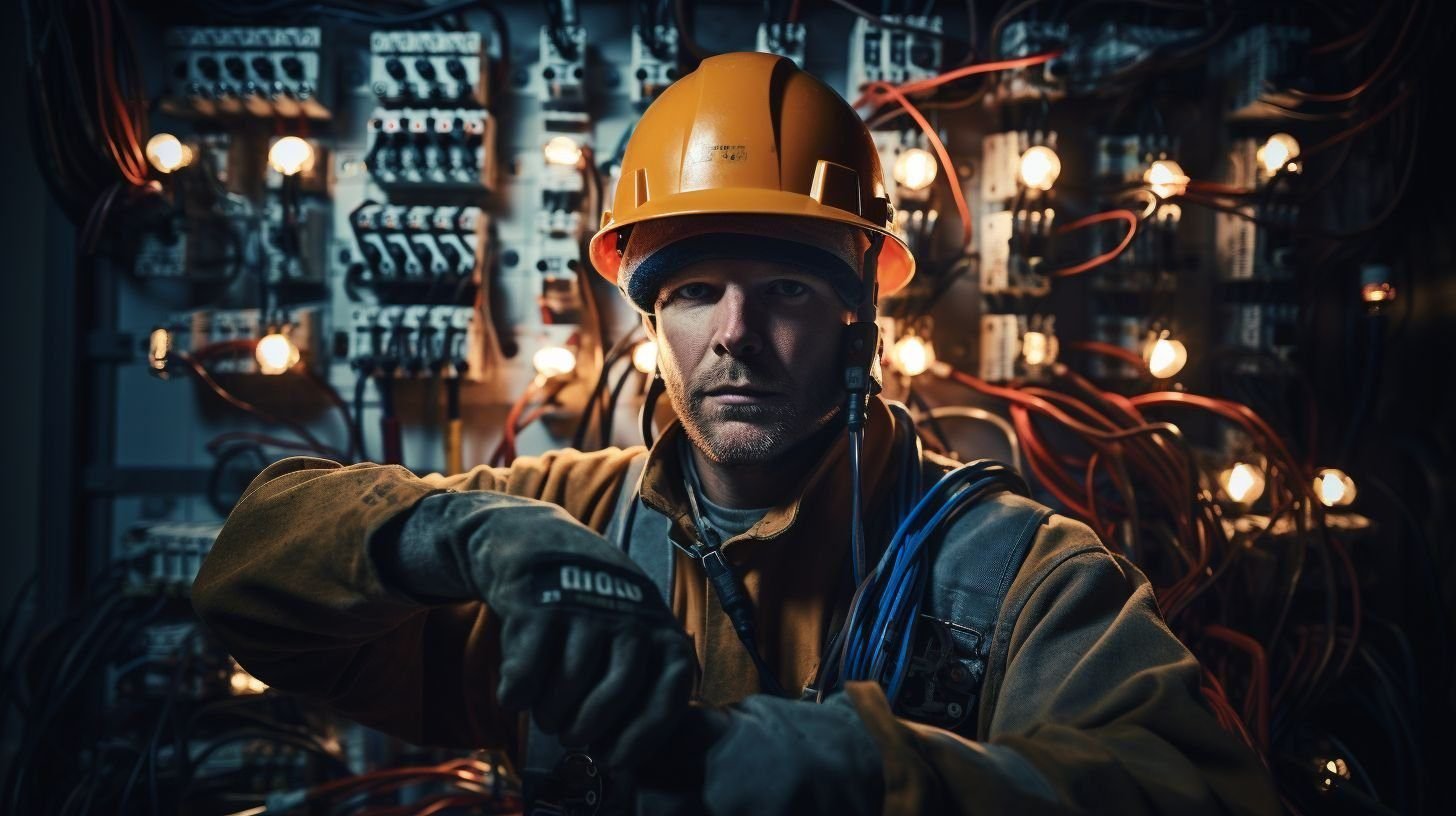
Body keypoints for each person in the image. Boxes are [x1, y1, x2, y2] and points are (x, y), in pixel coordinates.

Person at [192, 52, 1280, 814]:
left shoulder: (1012, 573)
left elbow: (1198, 796)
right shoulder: (562, 520)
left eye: (788, 293)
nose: (736, 337)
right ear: (649, 315)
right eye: (697, 290)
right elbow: (246, 581)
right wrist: (456, 536)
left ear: (858, 314)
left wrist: (862, 776)